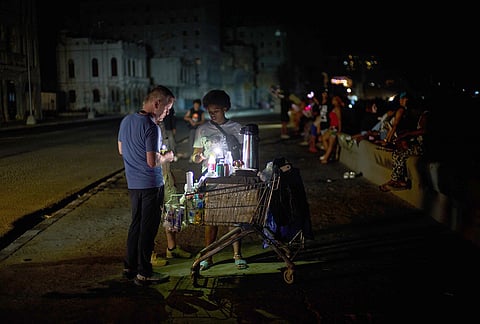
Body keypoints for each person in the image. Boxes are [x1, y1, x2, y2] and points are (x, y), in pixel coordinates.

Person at [117, 85, 175, 286]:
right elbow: (152, 162)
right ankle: (144, 273)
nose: (166, 114)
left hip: (133, 184)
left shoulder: (126, 120)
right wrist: (167, 156)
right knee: (147, 230)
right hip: (150, 185)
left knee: (135, 225)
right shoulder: (151, 126)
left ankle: (129, 267)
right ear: (156, 103)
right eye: (166, 109)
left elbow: (121, 150)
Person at [191, 89, 248, 271]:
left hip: (232, 179)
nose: (212, 114)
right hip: (211, 179)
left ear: (225, 108)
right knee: (211, 219)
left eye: (215, 110)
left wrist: (241, 162)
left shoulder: (237, 129)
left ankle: (237, 254)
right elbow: (195, 156)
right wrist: (198, 158)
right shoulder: (202, 129)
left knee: (234, 218)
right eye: (209, 111)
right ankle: (208, 255)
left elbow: (246, 156)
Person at [379, 108, 429, 192]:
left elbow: (424, 131)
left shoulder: (426, 115)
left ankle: (397, 180)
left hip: (424, 148)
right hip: (419, 145)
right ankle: (396, 179)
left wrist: (408, 134)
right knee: (397, 152)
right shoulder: (420, 116)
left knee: (400, 153)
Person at [319, 95, 344, 164]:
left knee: (330, 144)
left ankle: (326, 158)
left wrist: (339, 130)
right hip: (332, 127)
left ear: (336, 101)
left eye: (333, 100)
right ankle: (329, 155)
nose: (332, 101)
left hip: (334, 128)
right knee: (323, 139)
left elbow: (339, 120)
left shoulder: (337, 109)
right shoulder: (334, 108)